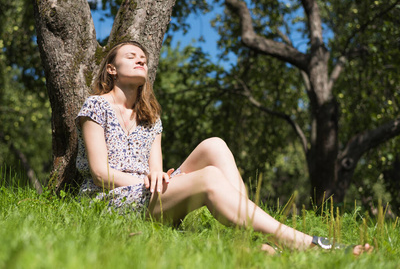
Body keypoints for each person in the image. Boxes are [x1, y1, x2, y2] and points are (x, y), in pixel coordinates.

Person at [76, 41, 372, 255]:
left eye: (144, 58)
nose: (141, 60)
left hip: (149, 195)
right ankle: (303, 242)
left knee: (214, 145)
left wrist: (159, 178)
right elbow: (100, 174)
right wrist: (150, 181)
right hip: (111, 201)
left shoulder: (150, 117)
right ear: (112, 69)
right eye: (132, 57)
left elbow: (155, 169)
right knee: (209, 177)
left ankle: (254, 238)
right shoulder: (97, 106)